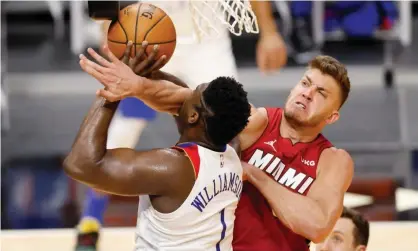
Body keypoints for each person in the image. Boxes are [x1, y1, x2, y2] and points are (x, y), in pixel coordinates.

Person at [80, 48, 354, 251]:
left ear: (332, 117)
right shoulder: (255, 121)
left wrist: (255, 174)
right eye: (305, 83)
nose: (307, 93)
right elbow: (182, 101)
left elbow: (317, 227)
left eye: (321, 93)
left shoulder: (333, 160)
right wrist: (139, 86)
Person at [76, 1, 287, 249]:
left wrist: (270, 32)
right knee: (123, 133)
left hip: (206, 38)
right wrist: (110, 36)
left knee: (233, 130)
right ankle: (90, 223)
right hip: (147, 34)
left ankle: (239, 225)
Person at [65, 42, 251, 251]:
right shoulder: (233, 150)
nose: (182, 94)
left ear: (193, 115)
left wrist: (112, 89)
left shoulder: (172, 168)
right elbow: (182, 99)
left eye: (191, 95)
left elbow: (81, 164)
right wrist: (145, 73)